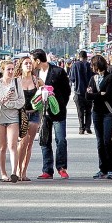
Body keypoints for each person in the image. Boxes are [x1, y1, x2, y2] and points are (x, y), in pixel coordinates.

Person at [30, 49, 71, 180]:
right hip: (42, 113)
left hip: (57, 111)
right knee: (44, 140)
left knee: (61, 140)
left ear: (37, 60)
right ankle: (47, 169)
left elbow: (67, 91)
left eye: (32, 60)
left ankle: (62, 167)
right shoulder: (33, 74)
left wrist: (59, 104)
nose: (31, 63)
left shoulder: (58, 72)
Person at [0, 60, 24, 181]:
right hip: (0, 117)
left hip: (13, 117)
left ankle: (14, 172)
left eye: (12, 69)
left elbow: (21, 101)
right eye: (8, 69)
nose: (10, 71)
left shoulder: (17, 82)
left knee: (13, 145)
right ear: (2, 70)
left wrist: (9, 103)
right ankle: (3, 173)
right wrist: (3, 101)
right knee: (2, 147)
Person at [87, 55, 112, 179]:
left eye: (93, 65)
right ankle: (102, 168)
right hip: (96, 112)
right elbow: (87, 96)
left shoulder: (110, 77)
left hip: (108, 112)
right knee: (100, 142)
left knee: (107, 141)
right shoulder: (93, 78)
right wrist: (99, 94)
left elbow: (108, 95)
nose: (92, 67)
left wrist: (94, 94)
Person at [14, 55, 40, 181]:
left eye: (30, 63)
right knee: (22, 142)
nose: (29, 65)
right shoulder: (16, 80)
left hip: (35, 113)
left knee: (29, 144)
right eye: (26, 63)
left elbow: (46, 93)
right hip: (21, 114)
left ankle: (24, 172)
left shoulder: (37, 80)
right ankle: (18, 169)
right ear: (21, 65)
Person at [69, 50, 93, 135]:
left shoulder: (75, 65)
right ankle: (88, 127)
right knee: (89, 111)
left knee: (80, 112)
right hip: (89, 92)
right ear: (86, 57)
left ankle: (81, 128)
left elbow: (72, 79)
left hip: (78, 92)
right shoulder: (90, 65)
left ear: (79, 57)